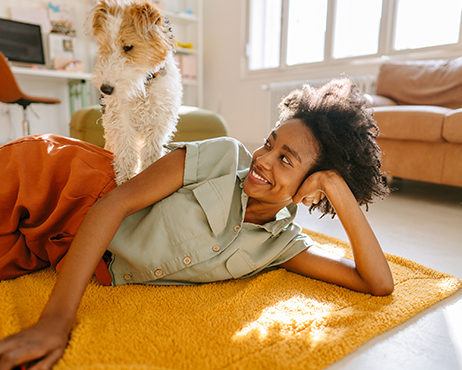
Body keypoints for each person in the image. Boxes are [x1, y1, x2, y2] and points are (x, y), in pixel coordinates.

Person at [0, 78, 393, 369]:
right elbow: (113, 203)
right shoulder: (225, 157)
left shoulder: (281, 247)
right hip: (60, 183)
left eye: (286, 160)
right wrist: (56, 320)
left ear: (312, 186)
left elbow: (377, 284)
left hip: (59, 247)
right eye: (270, 142)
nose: (264, 159)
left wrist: (337, 190)